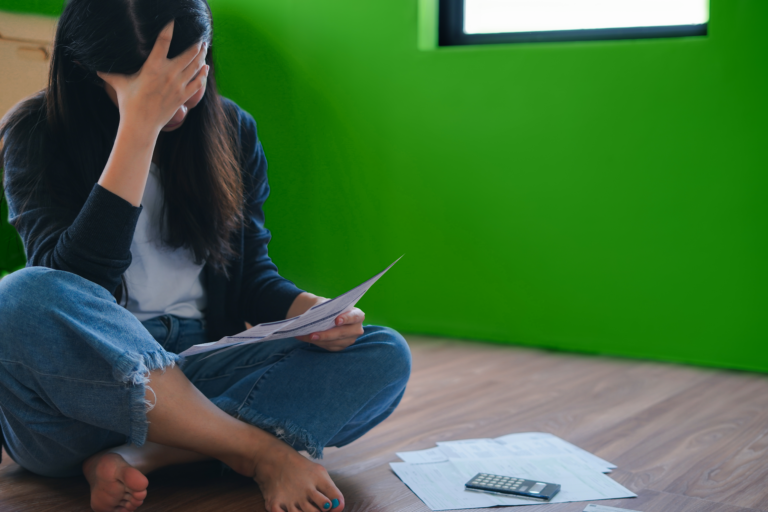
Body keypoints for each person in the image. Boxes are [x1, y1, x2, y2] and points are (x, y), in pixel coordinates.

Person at [0, 1, 411, 511]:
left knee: (383, 353)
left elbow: (250, 278)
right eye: (148, 85)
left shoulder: (231, 129)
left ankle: (147, 455)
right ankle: (256, 451)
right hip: (81, 395)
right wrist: (139, 128)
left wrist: (308, 311)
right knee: (18, 295)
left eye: (187, 74)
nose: (175, 101)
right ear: (87, 70)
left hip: (193, 375)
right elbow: (73, 288)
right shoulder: (34, 130)